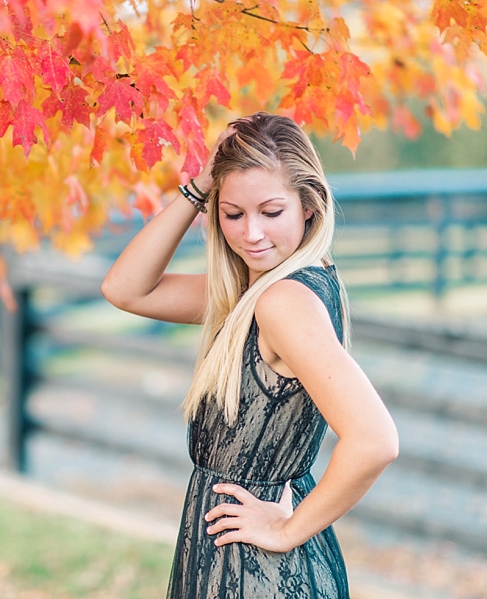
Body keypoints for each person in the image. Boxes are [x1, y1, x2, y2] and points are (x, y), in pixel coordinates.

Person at [101, 113, 399, 599]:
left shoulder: (283, 302)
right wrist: (201, 184)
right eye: (233, 214)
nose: (251, 234)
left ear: (309, 205)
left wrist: (285, 530)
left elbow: (375, 440)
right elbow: (126, 289)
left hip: (259, 570)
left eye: (271, 211)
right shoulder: (251, 290)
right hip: (239, 555)